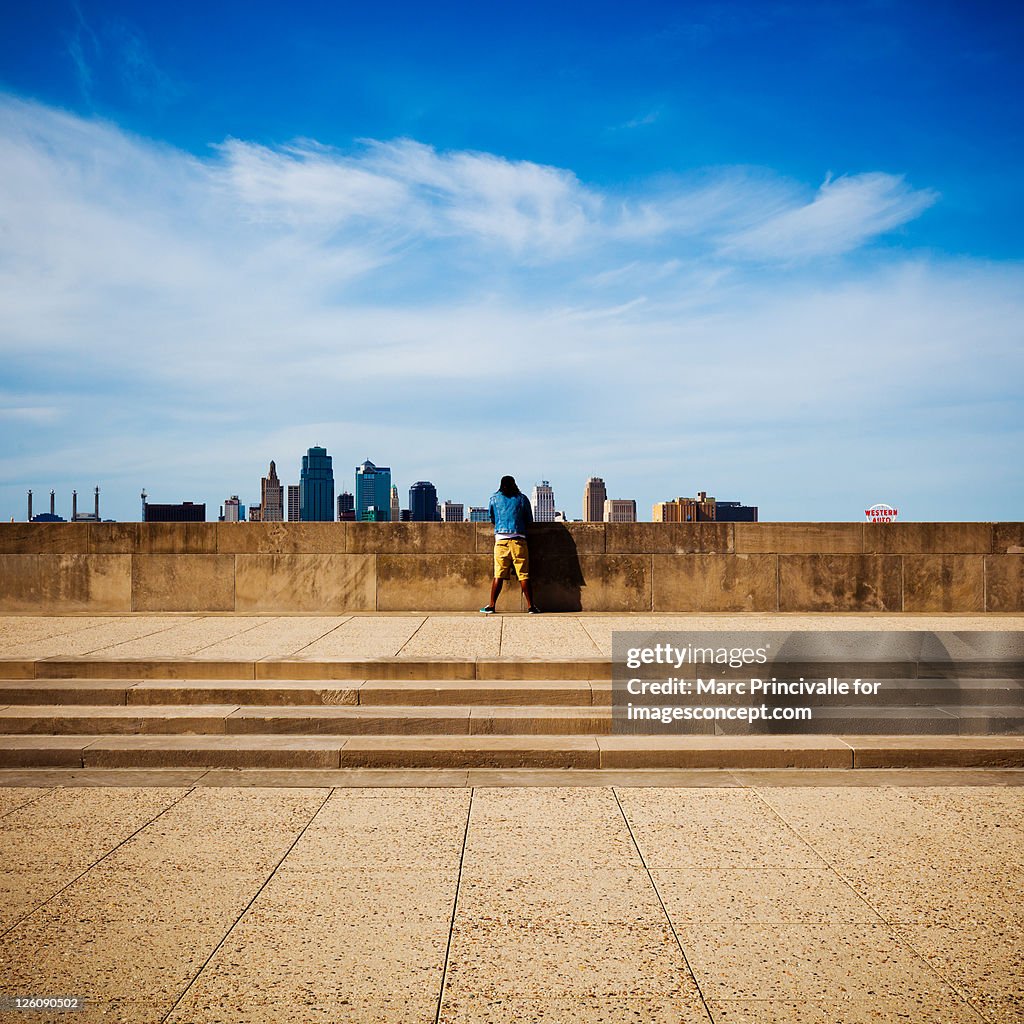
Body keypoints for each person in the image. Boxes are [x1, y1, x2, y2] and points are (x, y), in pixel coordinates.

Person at [480, 475, 540, 614]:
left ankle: (491, 605)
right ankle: (531, 606)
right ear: (514, 484)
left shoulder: (494, 498)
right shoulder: (522, 498)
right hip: (519, 540)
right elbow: (529, 520)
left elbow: (492, 518)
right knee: (523, 575)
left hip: (501, 541)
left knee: (498, 575)